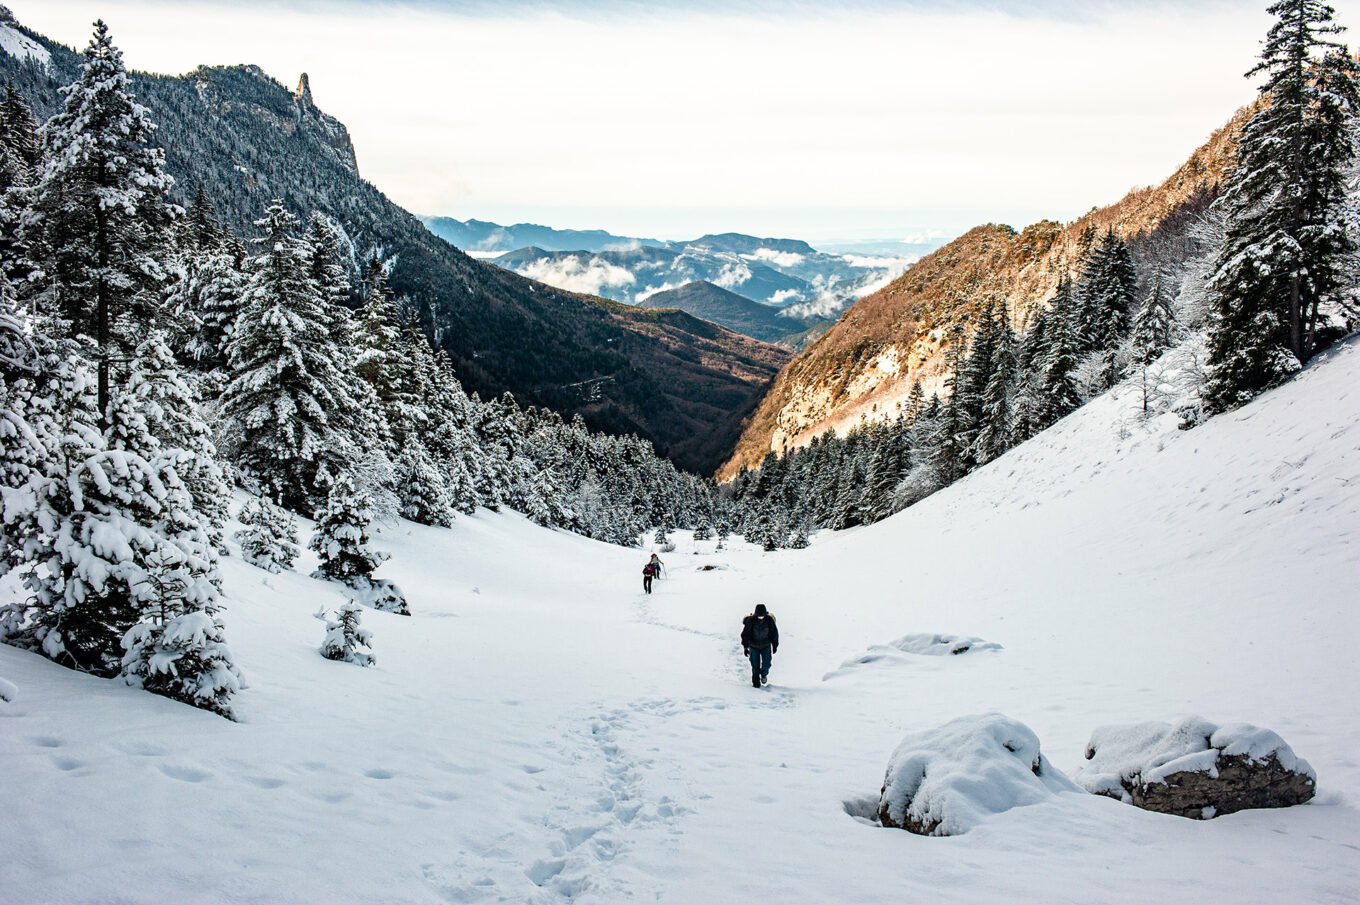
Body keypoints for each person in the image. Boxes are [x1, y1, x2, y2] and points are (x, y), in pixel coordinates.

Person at [740, 604, 779, 688]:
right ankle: (756, 684)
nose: (761, 617)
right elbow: (745, 634)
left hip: (766, 646)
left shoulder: (769, 620)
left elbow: (774, 633)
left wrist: (775, 645)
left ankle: (764, 675)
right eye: (759, 616)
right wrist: (745, 647)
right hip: (753, 647)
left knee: (767, 664)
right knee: (755, 666)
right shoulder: (751, 621)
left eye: (762, 616)